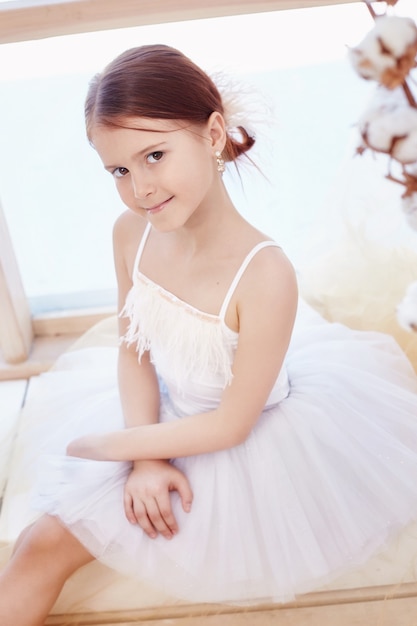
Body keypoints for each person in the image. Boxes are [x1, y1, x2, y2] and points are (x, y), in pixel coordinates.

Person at [1, 43, 417, 626]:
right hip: (158, 419)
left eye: (154, 156)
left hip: (239, 445)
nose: (140, 188)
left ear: (214, 133)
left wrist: (114, 448)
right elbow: (133, 349)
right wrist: (145, 456)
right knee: (27, 544)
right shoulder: (130, 234)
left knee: (42, 549)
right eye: (119, 170)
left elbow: (231, 423)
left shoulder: (266, 274)